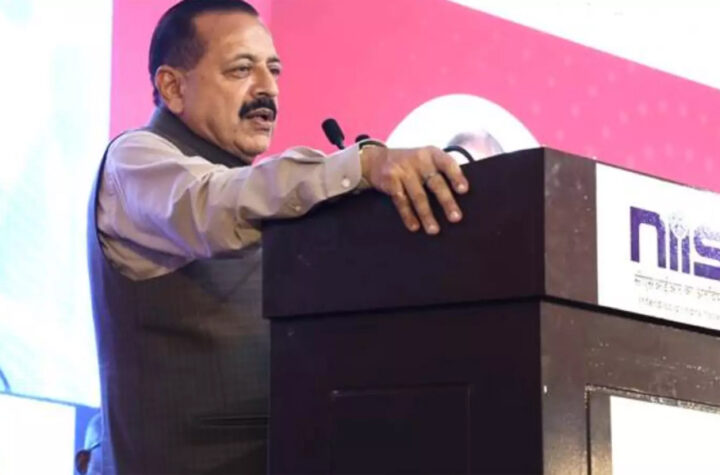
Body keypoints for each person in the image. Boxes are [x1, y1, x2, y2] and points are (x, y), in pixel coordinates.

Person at [87, 0, 469, 473]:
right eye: (241, 69)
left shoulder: (263, 195)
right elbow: (210, 205)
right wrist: (363, 164)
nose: (267, 88)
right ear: (172, 86)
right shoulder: (135, 161)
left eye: (274, 70)